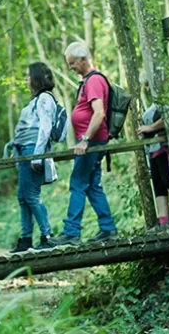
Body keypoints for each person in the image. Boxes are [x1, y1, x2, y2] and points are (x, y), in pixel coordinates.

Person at [49, 41, 118, 247]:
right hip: (92, 141)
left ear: (83, 59)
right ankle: (108, 229)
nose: (70, 67)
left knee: (78, 184)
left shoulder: (94, 81)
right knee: (92, 186)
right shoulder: (88, 80)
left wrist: (85, 140)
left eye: (72, 63)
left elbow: (99, 113)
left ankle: (71, 233)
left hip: (92, 141)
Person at [5, 62, 57, 253]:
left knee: (31, 195)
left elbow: (44, 127)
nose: (26, 80)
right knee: (23, 197)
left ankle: (46, 235)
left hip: (33, 152)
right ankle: (26, 239)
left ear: (36, 78)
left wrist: (37, 155)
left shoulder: (44, 99)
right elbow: (29, 129)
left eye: (28, 76)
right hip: (25, 152)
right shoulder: (34, 101)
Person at [137, 78, 169, 231]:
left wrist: (150, 127)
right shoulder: (152, 105)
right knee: (158, 185)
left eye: (148, 84)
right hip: (152, 149)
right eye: (145, 85)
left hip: (163, 146)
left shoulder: (166, 98)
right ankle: (164, 223)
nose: (147, 88)